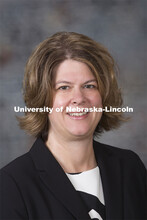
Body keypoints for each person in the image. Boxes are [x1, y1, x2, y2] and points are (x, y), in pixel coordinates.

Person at [0, 32, 146, 220]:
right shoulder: (11, 184)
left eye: (89, 86)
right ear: (42, 98)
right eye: (64, 87)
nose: (78, 98)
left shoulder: (129, 168)